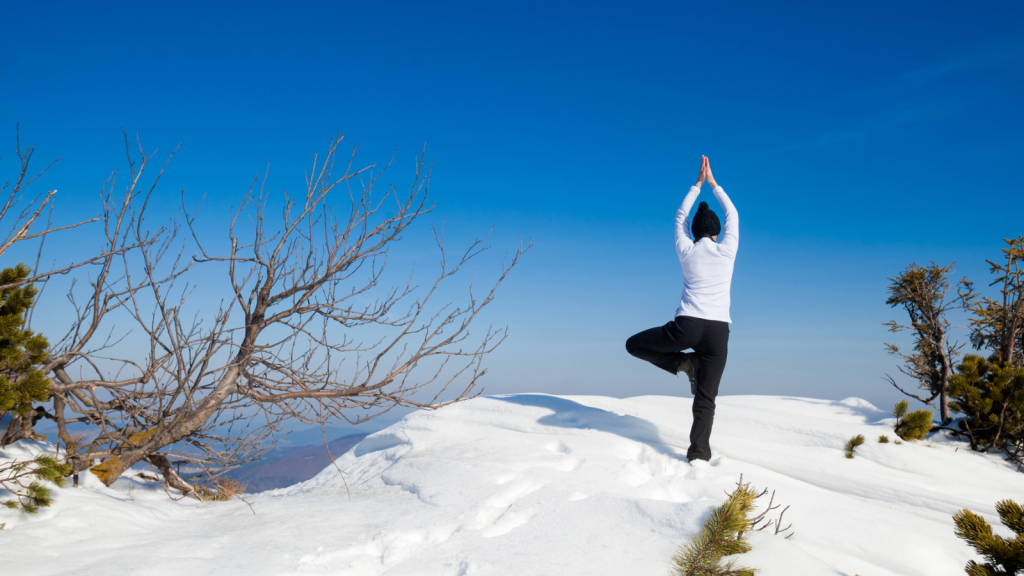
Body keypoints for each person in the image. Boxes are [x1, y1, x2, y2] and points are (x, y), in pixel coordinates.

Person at [624, 155, 738, 463]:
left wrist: (696, 185)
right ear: (716, 232)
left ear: (695, 232)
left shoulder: (686, 250)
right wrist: (713, 184)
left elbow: (679, 218)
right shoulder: (727, 251)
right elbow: (732, 213)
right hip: (717, 333)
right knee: (706, 399)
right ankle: (698, 456)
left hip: (686, 327)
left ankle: (684, 364)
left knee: (634, 345)